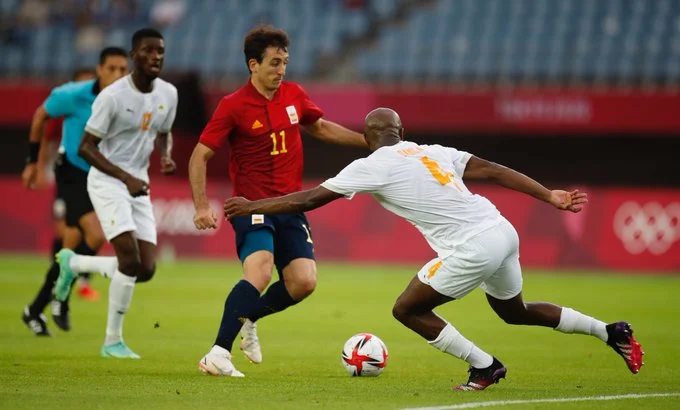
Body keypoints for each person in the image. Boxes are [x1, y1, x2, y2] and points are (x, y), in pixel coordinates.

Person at [223, 107, 645, 389]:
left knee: (407, 309)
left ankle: (485, 365)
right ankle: (610, 331)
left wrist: (252, 206)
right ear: (402, 133)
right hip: (501, 229)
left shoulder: (370, 165)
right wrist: (548, 195)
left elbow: (309, 198)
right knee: (514, 311)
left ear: (368, 139)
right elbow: (492, 170)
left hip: (472, 245)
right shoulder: (433, 151)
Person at [189, 24, 366, 377]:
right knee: (260, 270)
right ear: (253, 64)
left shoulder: (294, 95)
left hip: (291, 205)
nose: (281, 70)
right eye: (274, 63)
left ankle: (249, 317)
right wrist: (201, 205)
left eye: (284, 62)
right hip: (252, 205)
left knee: (303, 282)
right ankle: (218, 353)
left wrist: (367, 142)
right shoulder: (233, 105)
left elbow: (320, 127)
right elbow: (199, 156)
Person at [53, 28, 178, 359]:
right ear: (134, 56)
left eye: (160, 51)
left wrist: (166, 155)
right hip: (108, 181)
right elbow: (86, 147)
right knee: (129, 259)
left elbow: (164, 132)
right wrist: (124, 177)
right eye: (148, 51)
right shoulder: (112, 97)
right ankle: (112, 341)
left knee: (145, 268)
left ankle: (74, 263)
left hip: (139, 182)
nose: (156, 57)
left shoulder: (169, 93)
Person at [21, 52, 128, 336]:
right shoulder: (73, 94)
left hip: (101, 176)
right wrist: (32, 161)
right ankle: (63, 295)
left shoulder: (127, 98)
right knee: (95, 236)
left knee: (68, 250)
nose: (118, 75)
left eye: (123, 69)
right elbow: (41, 115)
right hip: (72, 171)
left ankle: (34, 310)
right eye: (112, 68)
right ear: (99, 70)